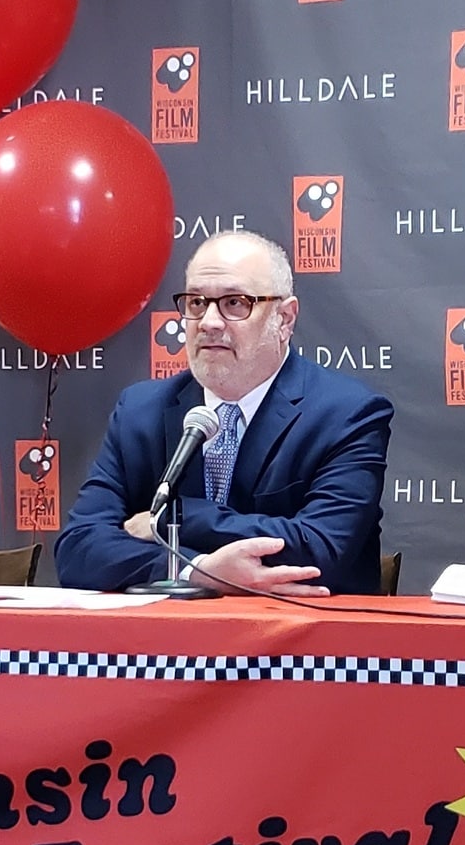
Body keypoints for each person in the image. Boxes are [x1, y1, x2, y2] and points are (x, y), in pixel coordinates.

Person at [57, 230, 392, 596]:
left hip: (301, 646)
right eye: (197, 302)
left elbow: (319, 548)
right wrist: (198, 571)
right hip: (166, 648)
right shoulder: (141, 411)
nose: (209, 322)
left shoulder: (347, 414)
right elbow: (79, 548)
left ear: (284, 319)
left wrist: (174, 518)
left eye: (235, 303)